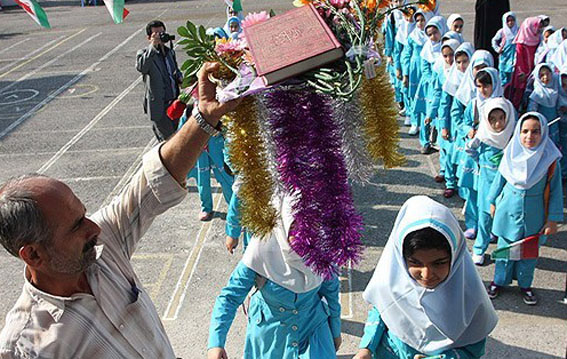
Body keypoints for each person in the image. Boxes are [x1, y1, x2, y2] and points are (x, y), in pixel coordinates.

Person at [0, 62, 240, 357]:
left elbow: (154, 182)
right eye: (76, 226)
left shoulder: (102, 245)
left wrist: (203, 116)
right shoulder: (26, 346)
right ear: (33, 254)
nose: (94, 228)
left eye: (84, 215)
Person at [353, 196, 498, 359]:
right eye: (415, 262)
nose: (427, 275)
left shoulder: (471, 301)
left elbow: (473, 350)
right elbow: (381, 310)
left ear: (455, 257)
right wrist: (366, 348)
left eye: (439, 263)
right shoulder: (390, 283)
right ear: (401, 258)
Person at [207, 195, 342, 359]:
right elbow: (229, 297)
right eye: (296, 229)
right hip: (270, 334)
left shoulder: (322, 250)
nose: (304, 238)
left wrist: (335, 331)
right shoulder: (260, 251)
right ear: (284, 223)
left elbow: (331, 293)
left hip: (312, 329)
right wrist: (216, 343)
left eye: (310, 229)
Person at [487, 112, 563, 305]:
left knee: (528, 252)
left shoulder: (550, 159)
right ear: (518, 132)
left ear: (544, 133)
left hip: (534, 213)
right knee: (505, 250)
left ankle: (525, 284)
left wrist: (552, 219)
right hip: (507, 210)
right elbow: (499, 180)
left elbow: (555, 190)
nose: (530, 136)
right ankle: (499, 281)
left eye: (536, 132)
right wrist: (492, 201)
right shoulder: (511, 153)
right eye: (525, 131)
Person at [465, 98, 516, 265]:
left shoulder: (512, 136)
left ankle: (502, 250)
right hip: (486, 180)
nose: (497, 123)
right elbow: (470, 148)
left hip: (506, 183)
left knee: (504, 214)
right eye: (492, 119)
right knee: (484, 214)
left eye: (501, 118)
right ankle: (479, 248)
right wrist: (479, 160)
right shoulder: (484, 135)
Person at [136, 20, 183, 142]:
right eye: (156, 34)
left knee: (179, 139)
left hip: (175, 103)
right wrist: (153, 46)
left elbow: (175, 70)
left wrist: (180, 77)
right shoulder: (144, 53)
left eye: (162, 33)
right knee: (168, 142)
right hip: (159, 107)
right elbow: (142, 67)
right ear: (149, 38)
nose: (160, 36)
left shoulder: (169, 52)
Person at [440, 42, 474, 198]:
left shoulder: (474, 81)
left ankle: (462, 184)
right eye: (458, 62)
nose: (461, 66)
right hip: (454, 126)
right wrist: (443, 126)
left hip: (468, 128)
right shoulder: (452, 79)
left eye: (465, 62)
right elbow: (445, 105)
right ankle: (450, 183)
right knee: (450, 155)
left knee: (464, 156)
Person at [428, 39, 461, 184]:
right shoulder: (441, 70)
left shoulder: (463, 74)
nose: (449, 59)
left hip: (459, 116)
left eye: (452, 55)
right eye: (445, 56)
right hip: (445, 113)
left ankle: (454, 177)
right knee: (445, 146)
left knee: (456, 149)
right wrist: (431, 113)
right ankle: (446, 175)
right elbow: (437, 93)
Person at [416, 15, 448, 154]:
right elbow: (425, 69)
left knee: (440, 113)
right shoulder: (427, 49)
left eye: (435, 33)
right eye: (429, 34)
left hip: (442, 85)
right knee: (427, 114)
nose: (433, 37)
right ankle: (425, 141)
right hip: (429, 87)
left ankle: (436, 140)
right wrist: (432, 81)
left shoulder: (446, 48)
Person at [402, 10, 432, 136]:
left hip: (425, 69)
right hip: (414, 68)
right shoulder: (412, 36)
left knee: (425, 96)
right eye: (418, 20)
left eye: (422, 20)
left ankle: (425, 125)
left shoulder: (430, 37)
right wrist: (405, 73)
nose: (420, 23)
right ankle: (415, 122)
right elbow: (406, 55)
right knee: (414, 96)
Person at [506, 17, 543, 109]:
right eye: (537, 26)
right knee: (519, 93)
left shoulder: (537, 38)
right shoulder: (522, 43)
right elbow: (519, 60)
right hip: (523, 72)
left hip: (534, 70)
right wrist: (524, 73)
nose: (539, 29)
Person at [527, 63, 561, 145]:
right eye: (541, 75)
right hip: (543, 124)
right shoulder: (537, 93)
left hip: (554, 122)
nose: (545, 77)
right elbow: (532, 111)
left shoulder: (555, 88)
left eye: (547, 74)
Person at [491, 12, 518, 86]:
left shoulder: (518, 31)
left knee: (513, 75)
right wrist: (497, 49)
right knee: (503, 75)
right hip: (505, 56)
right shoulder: (502, 32)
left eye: (512, 20)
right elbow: (494, 41)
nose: (510, 22)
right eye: (508, 21)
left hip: (514, 55)